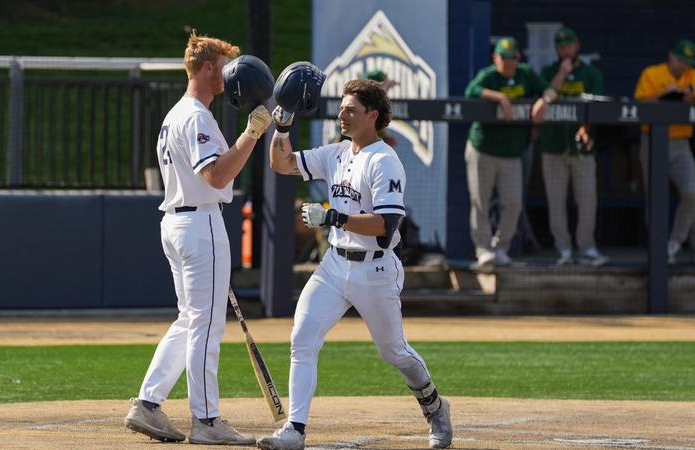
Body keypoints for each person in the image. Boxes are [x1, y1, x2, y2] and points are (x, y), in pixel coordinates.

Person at [257, 79, 452, 450]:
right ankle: (294, 430)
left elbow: (386, 225)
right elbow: (281, 163)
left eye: (351, 110)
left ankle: (435, 405)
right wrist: (281, 128)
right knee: (302, 338)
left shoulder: (385, 160)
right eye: (342, 108)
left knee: (393, 351)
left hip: (375, 269)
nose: (342, 115)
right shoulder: (337, 152)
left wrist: (333, 218)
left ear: (373, 116)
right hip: (334, 264)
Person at [123, 31, 272, 445]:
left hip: (178, 222)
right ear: (208, 68)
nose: (228, 76)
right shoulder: (195, 116)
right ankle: (206, 420)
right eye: (223, 66)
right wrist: (251, 135)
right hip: (199, 222)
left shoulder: (176, 114)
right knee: (205, 326)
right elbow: (218, 175)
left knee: (190, 321)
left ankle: (148, 404)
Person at [464, 36, 556, 267]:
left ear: (518, 57)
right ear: (495, 58)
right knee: (480, 202)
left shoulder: (525, 74)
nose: (509, 63)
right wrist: (500, 97)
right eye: (503, 58)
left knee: (513, 203)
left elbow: (550, 89)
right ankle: (483, 250)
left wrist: (543, 101)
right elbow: (471, 91)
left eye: (512, 57)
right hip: (483, 149)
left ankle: (500, 247)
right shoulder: (489, 75)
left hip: (513, 152)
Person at [539, 27, 608, 266]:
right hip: (554, 146)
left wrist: (586, 128)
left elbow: (596, 105)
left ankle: (587, 248)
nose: (566, 50)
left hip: (582, 148)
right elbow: (544, 99)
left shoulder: (591, 74)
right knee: (556, 200)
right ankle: (564, 250)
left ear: (577, 45)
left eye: (569, 45)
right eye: (561, 46)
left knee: (587, 198)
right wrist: (561, 73)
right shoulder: (548, 72)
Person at [634, 39, 695, 264]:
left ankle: (675, 242)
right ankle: (657, 249)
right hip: (652, 140)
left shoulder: (692, 75)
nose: (685, 66)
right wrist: (665, 94)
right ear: (671, 56)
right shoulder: (652, 74)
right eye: (682, 61)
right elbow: (638, 104)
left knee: (692, 191)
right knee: (655, 197)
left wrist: (687, 95)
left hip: (681, 142)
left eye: (689, 62)